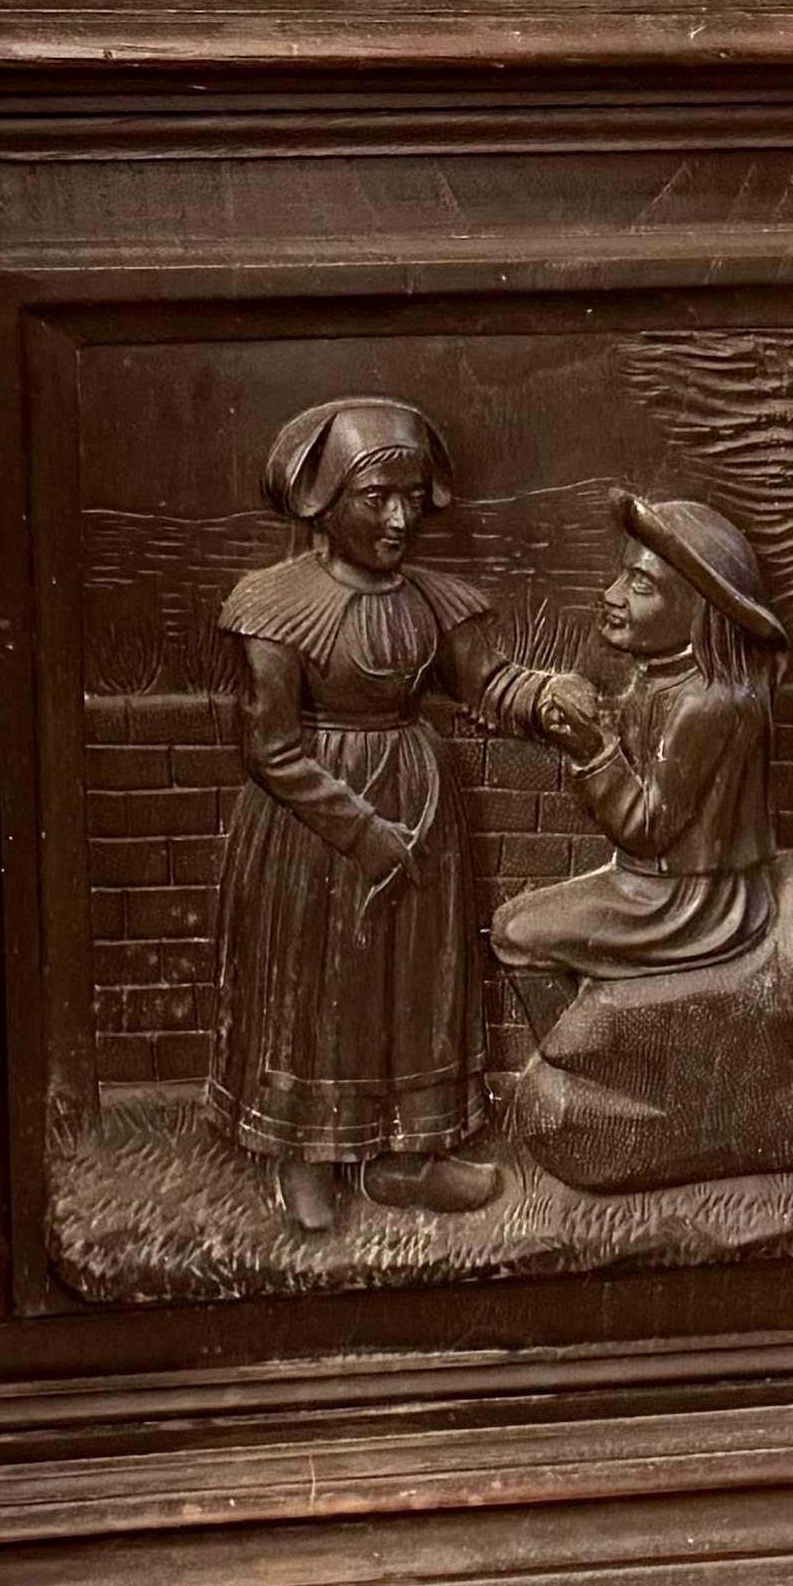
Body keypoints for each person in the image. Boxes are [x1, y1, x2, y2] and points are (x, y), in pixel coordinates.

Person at [208, 398, 593, 1233]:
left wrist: (547, 697)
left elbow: (486, 681)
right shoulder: (273, 606)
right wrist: (362, 831)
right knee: (320, 983)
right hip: (313, 829)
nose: (398, 518)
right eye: (375, 498)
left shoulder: (433, 600)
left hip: (420, 818)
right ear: (324, 500)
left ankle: (404, 1158)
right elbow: (271, 750)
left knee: (412, 981)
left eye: (412, 498)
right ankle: (307, 1152)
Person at [492, 494, 783, 995]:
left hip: (690, 901)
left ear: (698, 609)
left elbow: (646, 830)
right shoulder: (657, 682)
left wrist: (595, 750)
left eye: (641, 585)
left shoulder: (709, 703)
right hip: (649, 884)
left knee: (515, 933)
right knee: (516, 926)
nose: (612, 593)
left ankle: (571, 1058)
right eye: (622, 574)